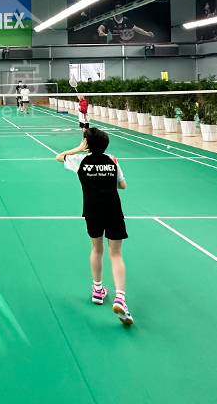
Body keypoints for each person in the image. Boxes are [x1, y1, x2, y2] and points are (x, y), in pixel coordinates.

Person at [56, 128, 132, 326]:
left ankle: (98, 290)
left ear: (87, 144)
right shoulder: (112, 160)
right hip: (113, 210)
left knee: (96, 249)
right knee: (116, 254)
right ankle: (120, 298)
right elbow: (122, 185)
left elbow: (59, 157)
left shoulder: (81, 160)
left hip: (92, 211)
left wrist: (78, 149)